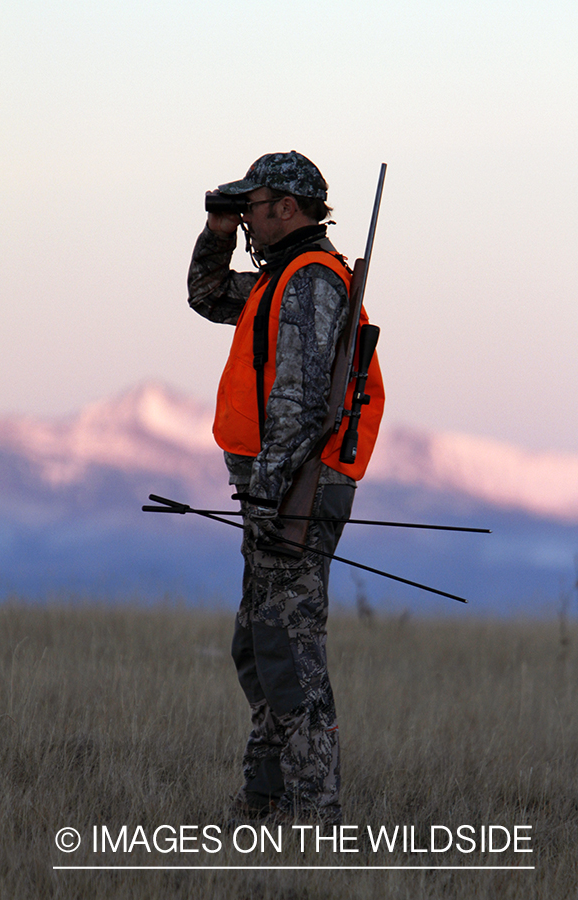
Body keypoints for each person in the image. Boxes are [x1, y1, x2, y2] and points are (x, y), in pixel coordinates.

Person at [187, 151, 385, 825]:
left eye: (253, 204)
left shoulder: (308, 283)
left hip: (293, 491)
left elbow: (301, 404)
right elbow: (208, 296)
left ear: (288, 209)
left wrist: (272, 498)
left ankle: (312, 810)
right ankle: (266, 798)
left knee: (289, 647)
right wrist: (216, 232)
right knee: (261, 641)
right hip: (278, 490)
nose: (246, 216)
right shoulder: (283, 280)